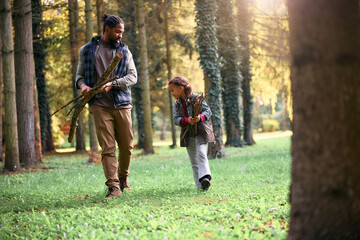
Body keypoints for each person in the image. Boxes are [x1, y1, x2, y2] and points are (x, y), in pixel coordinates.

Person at [75, 14, 137, 199]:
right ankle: (113, 187)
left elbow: (132, 76)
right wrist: (84, 86)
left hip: (122, 104)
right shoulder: (86, 50)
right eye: (117, 31)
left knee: (126, 146)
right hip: (99, 106)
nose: (120, 35)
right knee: (108, 147)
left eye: (122, 32)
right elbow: (79, 77)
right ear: (107, 29)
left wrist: (113, 84)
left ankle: (123, 178)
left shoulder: (125, 51)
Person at [168, 76, 215, 190]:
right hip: (187, 133)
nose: (172, 93)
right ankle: (200, 186)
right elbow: (175, 119)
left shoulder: (197, 98)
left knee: (201, 153)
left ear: (180, 88)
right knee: (193, 160)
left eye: (173, 90)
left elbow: (208, 111)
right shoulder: (177, 104)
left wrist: (200, 117)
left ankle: (205, 177)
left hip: (201, 131)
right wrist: (186, 120)